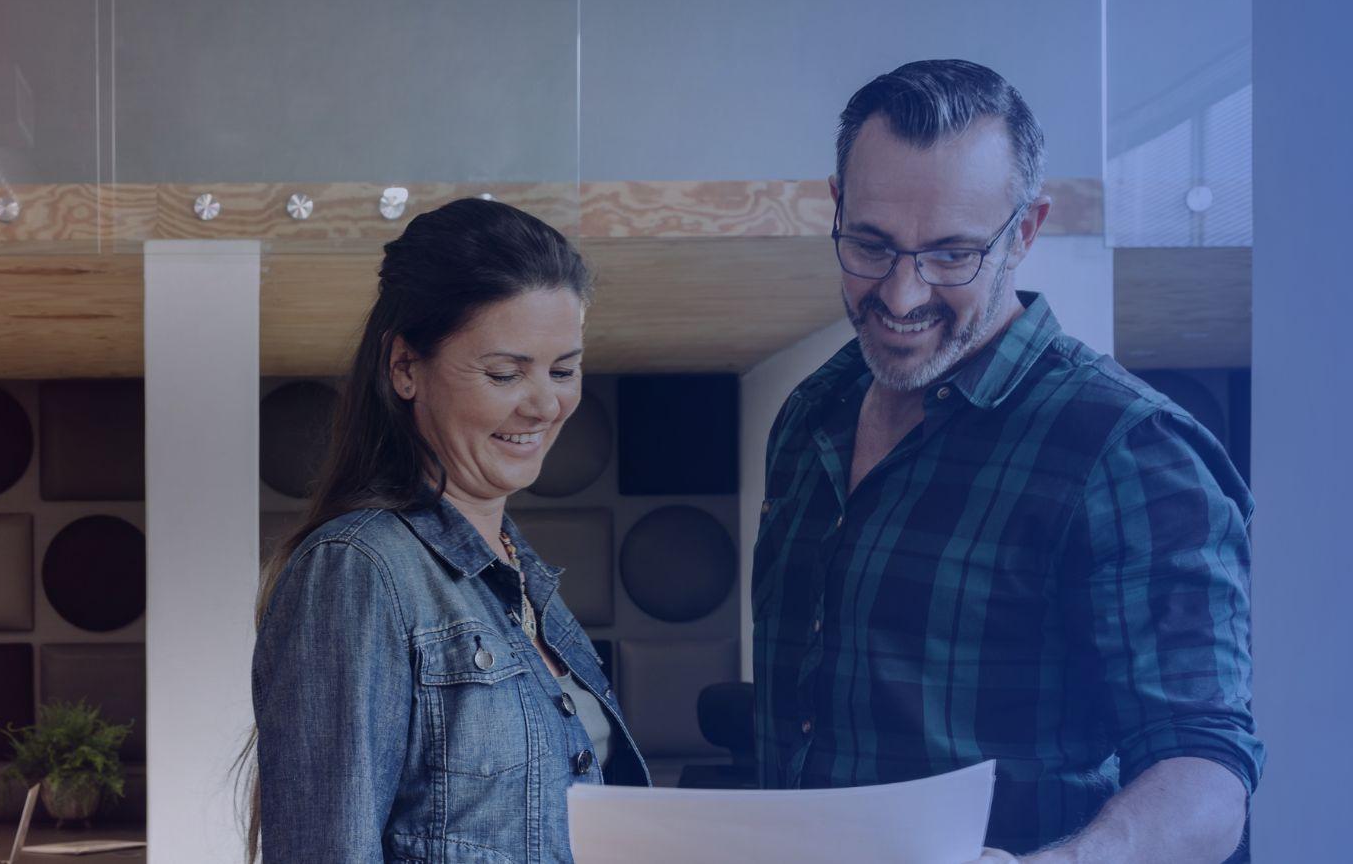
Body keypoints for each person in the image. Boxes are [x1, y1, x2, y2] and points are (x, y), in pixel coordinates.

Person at [751, 60, 1260, 862]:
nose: (903, 293)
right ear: (836, 208)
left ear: (1024, 232)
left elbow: (1205, 767)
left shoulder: (1129, 448)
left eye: (952, 254)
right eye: (871, 245)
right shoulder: (811, 410)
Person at [250, 199, 647, 863]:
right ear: (405, 368)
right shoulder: (358, 570)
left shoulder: (521, 574)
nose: (545, 404)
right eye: (505, 372)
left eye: (563, 369)